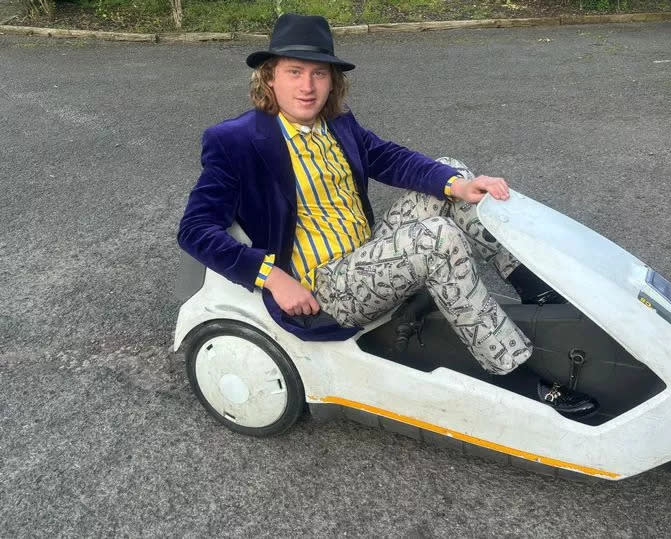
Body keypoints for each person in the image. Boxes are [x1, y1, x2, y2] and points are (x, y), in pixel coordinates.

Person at [177, 14, 596, 418]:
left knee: (454, 174)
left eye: (319, 73)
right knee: (436, 238)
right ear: (270, 77)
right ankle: (510, 368)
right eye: (294, 71)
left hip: (368, 257)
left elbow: (388, 158)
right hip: (324, 287)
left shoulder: (336, 123)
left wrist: (457, 185)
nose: (307, 86)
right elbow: (195, 230)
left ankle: (535, 291)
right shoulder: (233, 141)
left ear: (332, 80)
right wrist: (272, 277)